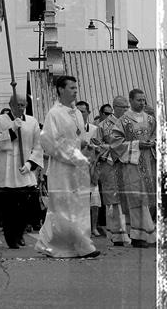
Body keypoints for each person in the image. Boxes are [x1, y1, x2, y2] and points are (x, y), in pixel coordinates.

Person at [35, 76, 99, 259]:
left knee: (78, 205)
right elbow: (48, 141)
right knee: (63, 206)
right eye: (71, 87)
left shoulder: (77, 113)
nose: (75, 91)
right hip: (62, 168)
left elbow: (81, 135)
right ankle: (63, 245)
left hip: (78, 168)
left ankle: (80, 243)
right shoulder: (53, 114)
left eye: (75, 87)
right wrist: (77, 145)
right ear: (60, 89)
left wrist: (86, 144)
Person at [0, 94, 43, 248]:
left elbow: (38, 146)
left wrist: (30, 163)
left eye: (23, 105)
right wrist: (12, 130)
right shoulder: (0, 121)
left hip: (24, 170)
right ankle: (10, 237)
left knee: (26, 208)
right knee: (9, 209)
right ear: (11, 105)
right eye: (17, 105)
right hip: (7, 171)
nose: (20, 108)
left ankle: (19, 233)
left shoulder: (32, 122)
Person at [109, 88, 156, 248]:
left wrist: (153, 143)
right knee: (137, 199)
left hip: (149, 164)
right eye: (139, 100)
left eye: (144, 100)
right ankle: (138, 236)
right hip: (131, 166)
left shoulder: (150, 120)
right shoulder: (123, 121)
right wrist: (137, 144)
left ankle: (145, 233)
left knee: (149, 200)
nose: (142, 103)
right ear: (131, 101)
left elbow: (157, 137)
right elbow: (115, 144)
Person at [94, 95, 131, 247]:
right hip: (110, 166)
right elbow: (96, 145)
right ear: (115, 107)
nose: (126, 110)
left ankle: (128, 232)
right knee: (113, 200)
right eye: (123, 107)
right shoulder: (103, 126)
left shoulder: (129, 124)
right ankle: (116, 234)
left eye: (127, 107)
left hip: (126, 165)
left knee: (127, 198)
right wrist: (112, 150)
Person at [75, 101, 104, 238]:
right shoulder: (72, 128)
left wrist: (95, 148)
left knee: (94, 200)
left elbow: (101, 146)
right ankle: (80, 228)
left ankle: (93, 228)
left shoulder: (94, 129)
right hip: (76, 167)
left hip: (92, 166)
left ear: (88, 113)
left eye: (83, 111)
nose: (81, 114)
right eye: (78, 111)